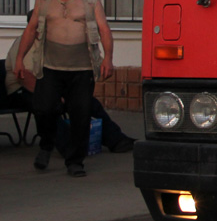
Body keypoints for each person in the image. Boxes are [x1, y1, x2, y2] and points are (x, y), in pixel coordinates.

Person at [13, 0, 114, 176]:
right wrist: (20, 58)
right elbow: (31, 30)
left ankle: (75, 161)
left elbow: (104, 29)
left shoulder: (90, 0)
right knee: (44, 108)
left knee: (80, 114)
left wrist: (108, 58)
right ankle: (46, 145)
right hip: (50, 67)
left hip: (82, 69)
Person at [4, 30, 135, 153]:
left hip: (50, 87)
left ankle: (117, 140)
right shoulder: (24, 43)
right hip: (22, 90)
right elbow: (23, 77)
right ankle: (69, 148)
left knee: (88, 102)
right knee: (46, 107)